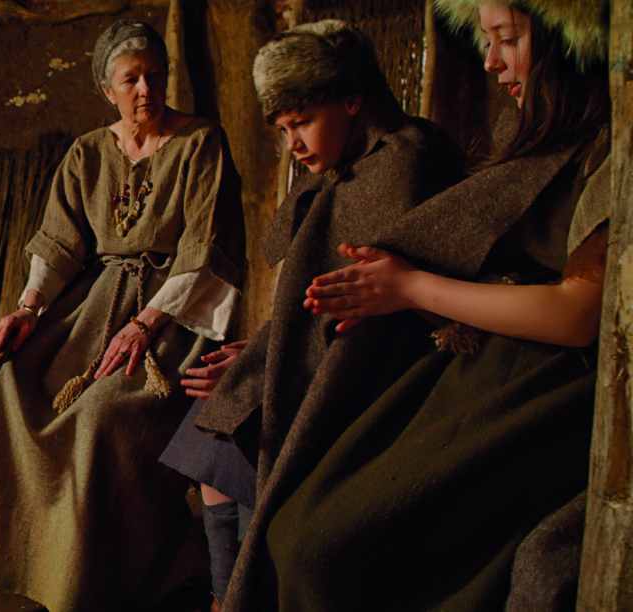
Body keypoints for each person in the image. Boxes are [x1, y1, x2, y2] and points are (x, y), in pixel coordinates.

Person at [208, 1, 611, 610]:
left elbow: (580, 312)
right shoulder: (531, 134)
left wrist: (410, 287)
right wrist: (268, 351)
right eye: (487, 39)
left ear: (565, 42)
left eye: (507, 37)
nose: (490, 60)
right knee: (256, 485)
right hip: (478, 364)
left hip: (542, 389)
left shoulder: (410, 160)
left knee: (320, 546)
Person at [158, 20, 467, 610]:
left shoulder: (404, 161)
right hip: (320, 354)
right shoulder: (342, 170)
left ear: (353, 97)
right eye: (282, 129)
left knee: (252, 434)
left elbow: (373, 319)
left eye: (301, 122)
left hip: (385, 373)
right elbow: (310, 303)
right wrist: (259, 354)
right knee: (215, 432)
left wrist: (271, 367)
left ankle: (251, 592)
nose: (293, 145)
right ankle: (231, 595)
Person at [0, 20, 245, 612]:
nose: (146, 88)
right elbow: (59, 243)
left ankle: (111, 578)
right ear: (107, 89)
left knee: (100, 419)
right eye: (132, 79)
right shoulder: (88, 152)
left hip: (171, 317)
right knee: (6, 381)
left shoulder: (201, 143)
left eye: (155, 75)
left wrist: (146, 324)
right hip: (93, 307)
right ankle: (38, 565)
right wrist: (27, 307)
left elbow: (204, 251)